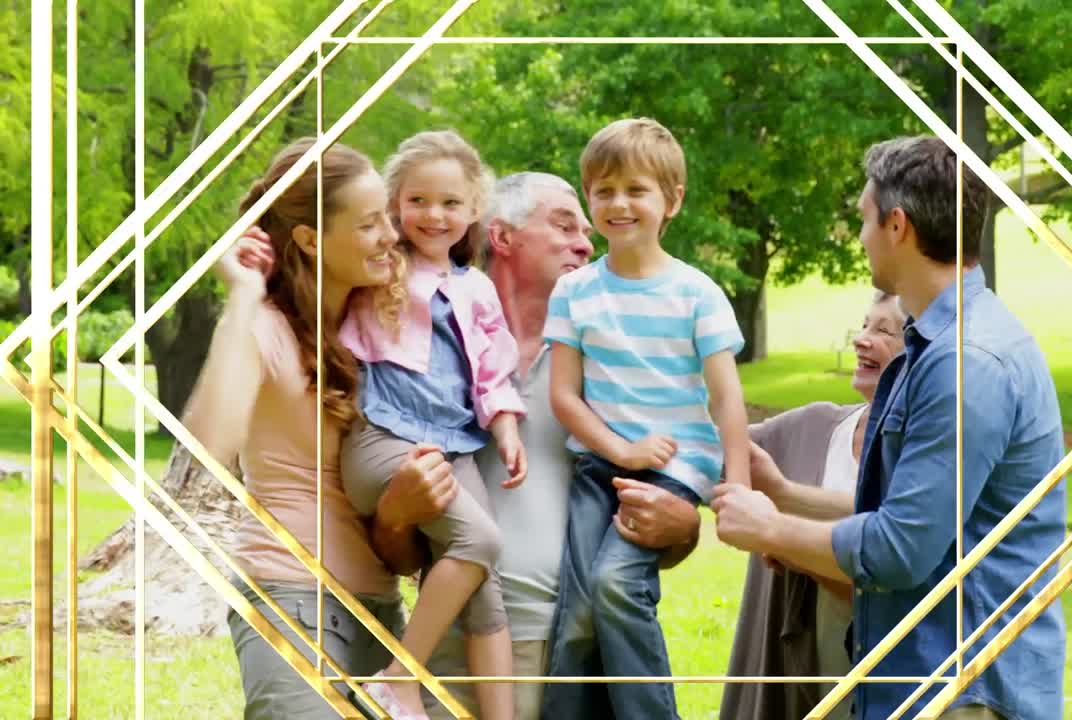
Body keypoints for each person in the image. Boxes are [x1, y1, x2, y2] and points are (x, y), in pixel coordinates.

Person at [713, 135, 1067, 719]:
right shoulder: (935, 345)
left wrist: (771, 529)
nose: (859, 237)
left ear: (897, 225)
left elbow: (901, 549)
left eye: (863, 219)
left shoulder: (965, 363)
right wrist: (786, 494)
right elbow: (920, 515)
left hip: (962, 690)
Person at [390, 171, 703, 720]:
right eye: (563, 225)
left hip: (575, 660)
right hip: (452, 656)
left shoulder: (616, 357)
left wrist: (684, 528)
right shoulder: (430, 345)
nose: (586, 242)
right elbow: (388, 539)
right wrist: (395, 512)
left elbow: (667, 503)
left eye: (586, 230)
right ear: (502, 237)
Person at [185, 138, 460, 720]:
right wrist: (241, 295)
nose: (391, 235)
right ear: (311, 239)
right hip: (292, 598)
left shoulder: (377, 333)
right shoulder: (265, 327)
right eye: (368, 225)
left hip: (380, 611)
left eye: (386, 217)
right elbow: (210, 443)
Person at [540, 117, 750, 720]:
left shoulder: (696, 293)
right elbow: (565, 398)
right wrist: (619, 450)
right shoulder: (575, 292)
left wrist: (736, 483)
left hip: (675, 464)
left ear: (673, 201)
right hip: (601, 462)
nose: (619, 203)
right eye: (603, 191)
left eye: (636, 189)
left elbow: (726, 399)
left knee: (613, 582)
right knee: (576, 613)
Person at [339, 130, 525, 719]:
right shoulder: (379, 270)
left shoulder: (477, 288)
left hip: (456, 449)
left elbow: (492, 372)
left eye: (450, 203)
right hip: (385, 439)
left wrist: (507, 430)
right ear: (394, 206)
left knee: (485, 586)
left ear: (473, 211)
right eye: (417, 200)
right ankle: (397, 677)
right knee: (483, 539)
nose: (433, 214)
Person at [720, 291, 906, 720]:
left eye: (882, 330)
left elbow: (891, 544)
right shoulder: (814, 426)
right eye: (863, 326)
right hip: (812, 672)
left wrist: (788, 541)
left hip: (889, 679)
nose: (862, 340)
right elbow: (716, 449)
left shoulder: (926, 453)